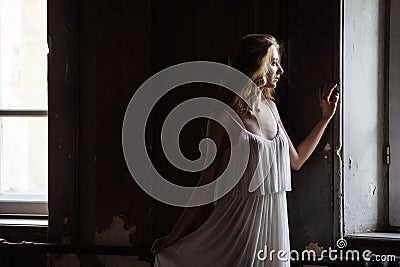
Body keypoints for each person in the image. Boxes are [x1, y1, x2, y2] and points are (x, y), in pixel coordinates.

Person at [151, 34, 339, 267]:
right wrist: (174, 236)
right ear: (256, 64)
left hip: (274, 228)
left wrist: (325, 119)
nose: (280, 70)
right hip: (236, 228)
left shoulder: (271, 108)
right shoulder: (221, 116)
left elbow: (296, 160)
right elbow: (205, 183)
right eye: (273, 62)